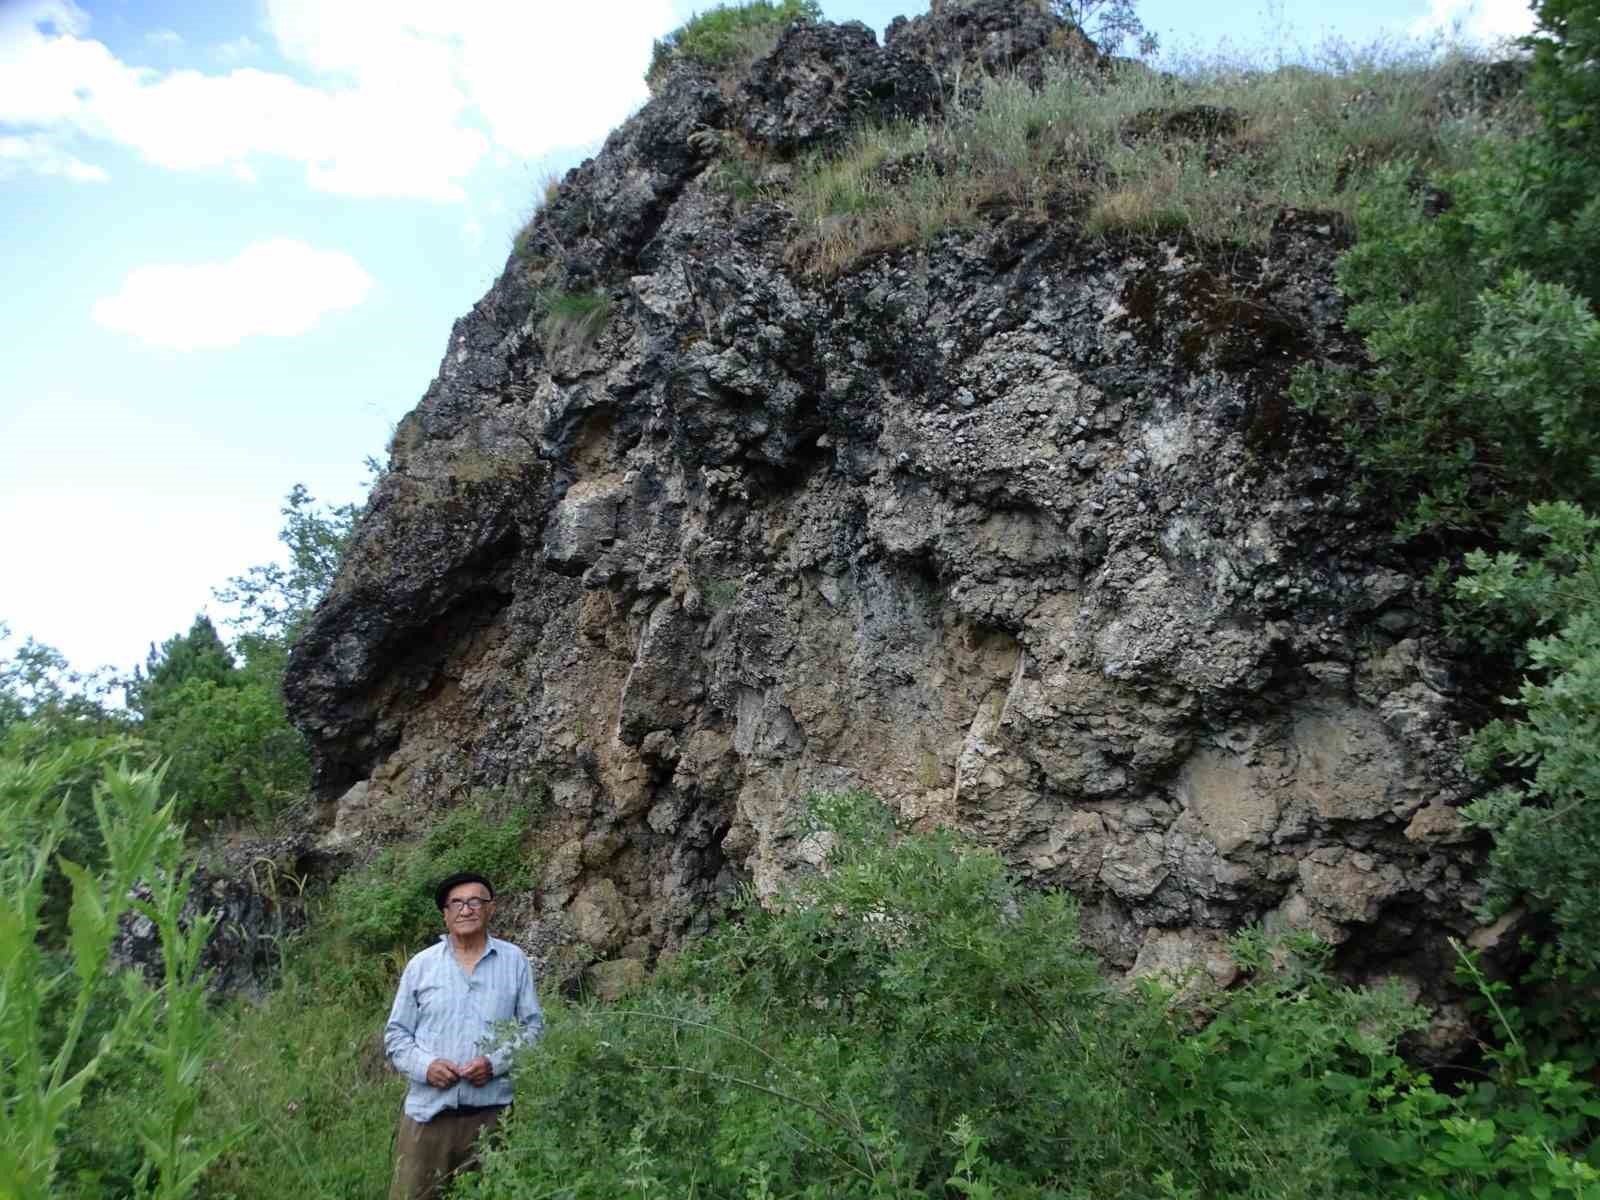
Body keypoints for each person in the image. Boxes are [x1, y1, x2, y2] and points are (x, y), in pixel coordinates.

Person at [384, 871, 543, 1200]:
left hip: (492, 1119)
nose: (466, 909)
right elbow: (397, 1035)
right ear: (445, 913)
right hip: (427, 1119)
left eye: (475, 901)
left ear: (490, 909)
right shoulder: (421, 966)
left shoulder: (514, 962)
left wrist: (494, 1063)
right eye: (456, 903)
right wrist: (426, 1067)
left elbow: (533, 1029)